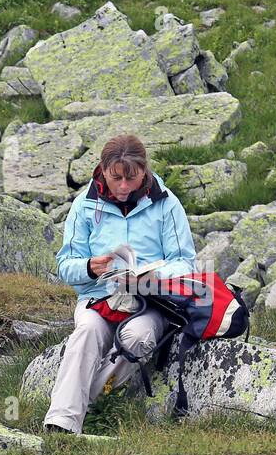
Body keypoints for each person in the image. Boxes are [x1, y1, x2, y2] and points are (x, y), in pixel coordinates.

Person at [43, 134, 198, 434]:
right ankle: (60, 424)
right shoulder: (84, 206)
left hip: (151, 302)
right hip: (98, 298)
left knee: (138, 339)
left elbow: (184, 262)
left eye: (132, 177)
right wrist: (90, 266)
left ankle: (87, 407)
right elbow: (65, 266)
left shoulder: (166, 204)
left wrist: (152, 277)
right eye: (116, 178)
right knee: (87, 331)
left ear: (144, 171)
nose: (124, 186)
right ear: (103, 170)